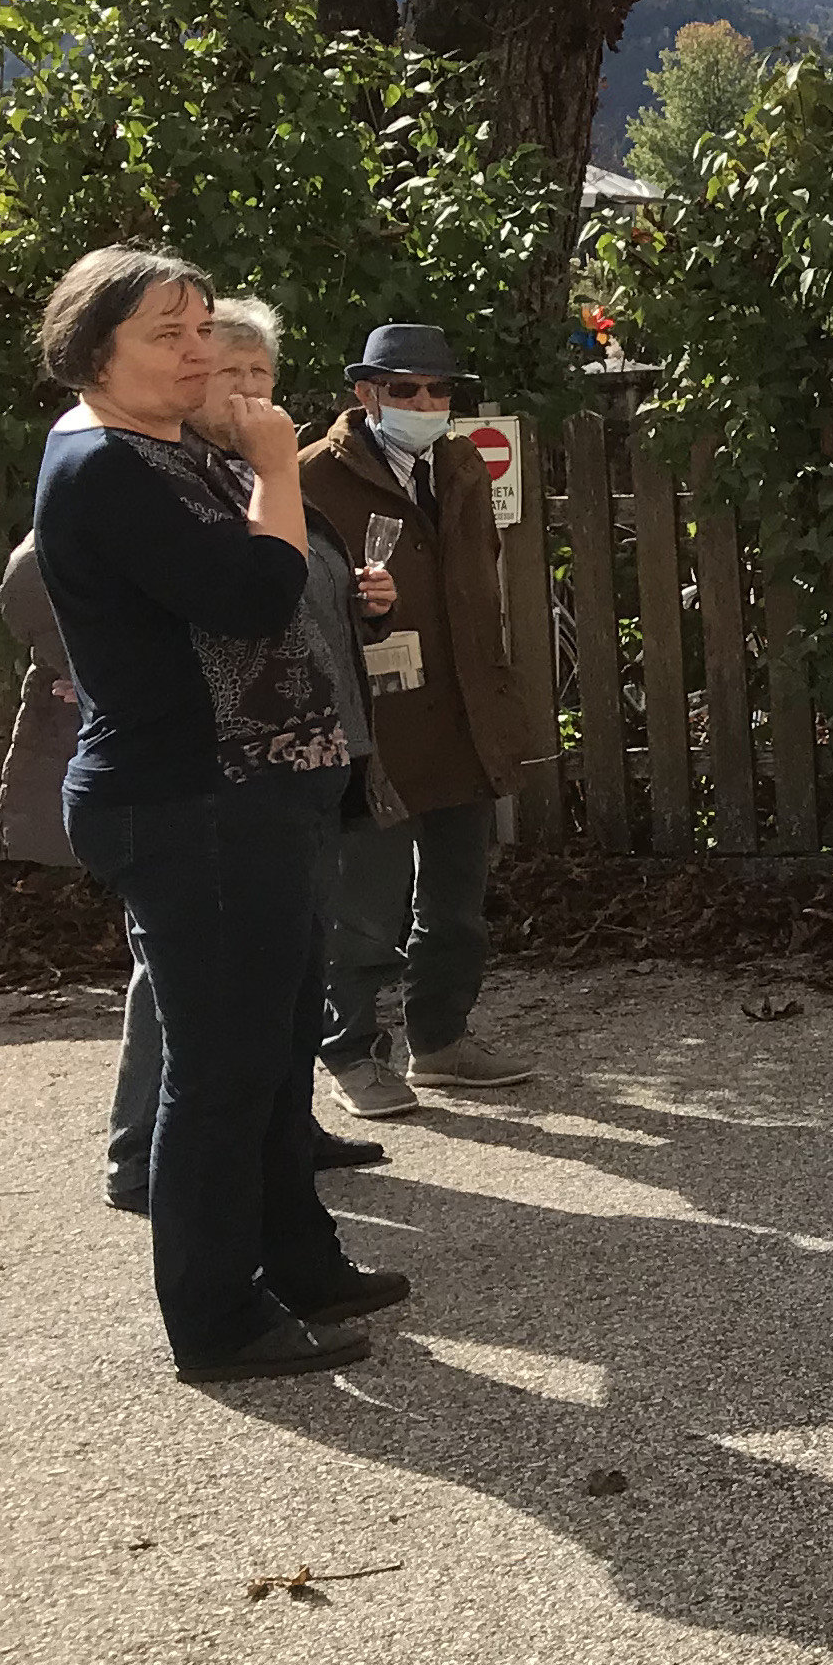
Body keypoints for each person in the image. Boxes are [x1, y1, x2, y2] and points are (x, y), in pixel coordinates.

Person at [30, 248, 407, 1383]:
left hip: (253, 792)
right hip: (190, 802)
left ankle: (298, 1256)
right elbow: (252, 595)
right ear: (93, 352)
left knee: (279, 1041)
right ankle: (216, 1318)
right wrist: (281, 466)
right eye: (168, 333)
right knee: (221, 1068)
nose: (200, 352)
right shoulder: (102, 464)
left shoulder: (166, 445)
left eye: (203, 327)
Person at [78, 304, 398, 1206]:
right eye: (232, 376)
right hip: (212, 779)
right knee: (182, 986)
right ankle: (141, 1155)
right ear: (187, 384)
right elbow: (64, 588)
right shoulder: (166, 477)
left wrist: (371, 608)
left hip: (304, 758)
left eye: (263, 376)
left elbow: (304, 592)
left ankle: (281, 1130)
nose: (255, 393)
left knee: (287, 969)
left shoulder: (259, 476)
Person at [307, 320, 536, 1112]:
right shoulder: (311, 478)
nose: (428, 402)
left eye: (441, 389)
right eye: (407, 389)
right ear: (366, 393)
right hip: (372, 719)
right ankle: (352, 1053)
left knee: (456, 901)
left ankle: (439, 1042)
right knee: (364, 901)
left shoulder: (462, 463)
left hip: (465, 711)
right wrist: (359, 609)